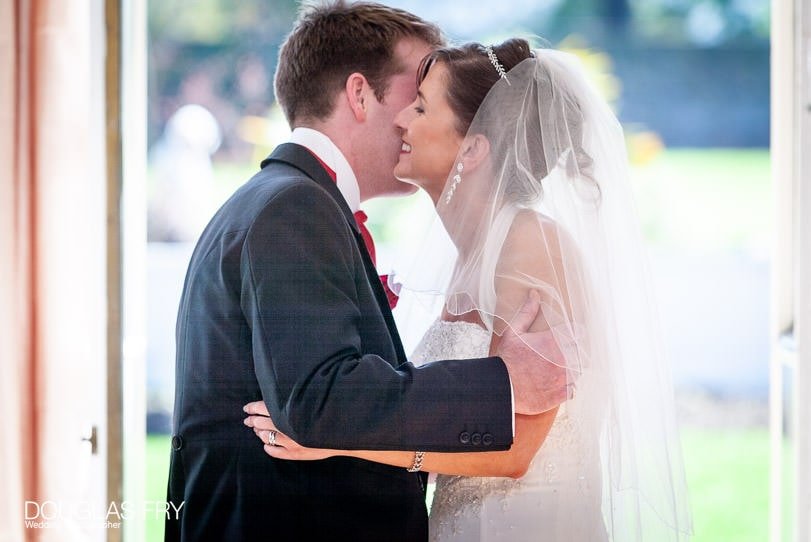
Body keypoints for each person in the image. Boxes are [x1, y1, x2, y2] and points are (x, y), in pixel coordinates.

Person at [244, 39, 693, 540]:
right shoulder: (471, 258)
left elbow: (515, 449)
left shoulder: (531, 245)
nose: (400, 121)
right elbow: (460, 421)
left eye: (420, 107)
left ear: (474, 146)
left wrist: (335, 438)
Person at [166, 4, 561, 541]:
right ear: (359, 94)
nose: (408, 118)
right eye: (416, 90)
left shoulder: (285, 200)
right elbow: (319, 398)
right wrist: (502, 386)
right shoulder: (294, 208)